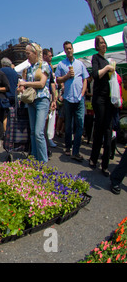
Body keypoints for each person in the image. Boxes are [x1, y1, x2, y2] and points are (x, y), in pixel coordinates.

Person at [56, 41, 89, 162]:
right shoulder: (61, 64)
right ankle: (68, 146)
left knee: (80, 124)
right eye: (66, 49)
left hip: (79, 98)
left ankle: (76, 150)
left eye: (70, 48)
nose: (69, 50)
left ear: (73, 49)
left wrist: (83, 92)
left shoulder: (80, 64)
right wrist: (66, 77)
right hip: (68, 98)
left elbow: (85, 79)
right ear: (64, 51)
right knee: (68, 124)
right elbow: (58, 80)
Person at [18, 43, 51, 163]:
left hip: (42, 99)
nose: (27, 56)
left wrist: (25, 83)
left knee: (38, 133)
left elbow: (42, 84)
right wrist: (22, 87)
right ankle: (35, 159)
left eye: (28, 53)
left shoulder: (44, 65)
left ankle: (43, 162)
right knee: (32, 132)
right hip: (31, 101)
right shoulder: (30, 68)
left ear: (35, 53)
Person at [89, 35, 116, 177]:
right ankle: (93, 158)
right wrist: (106, 68)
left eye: (105, 42)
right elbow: (95, 74)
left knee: (108, 130)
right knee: (100, 129)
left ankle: (105, 165)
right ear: (97, 46)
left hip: (109, 99)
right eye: (101, 43)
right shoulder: (96, 59)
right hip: (99, 99)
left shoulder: (108, 60)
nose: (104, 45)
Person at [0, 57, 19, 131]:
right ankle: (13, 132)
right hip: (14, 96)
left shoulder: (1, 71)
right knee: (13, 116)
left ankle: (6, 134)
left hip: (4, 96)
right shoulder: (14, 72)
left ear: (3, 64)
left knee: (5, 116)